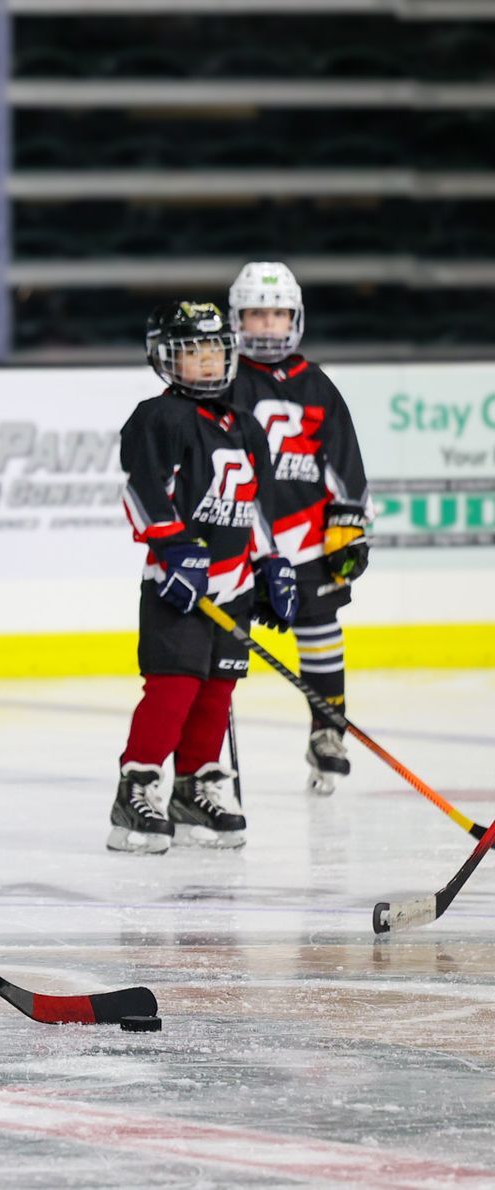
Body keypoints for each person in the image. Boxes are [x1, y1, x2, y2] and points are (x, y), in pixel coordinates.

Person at [112, 301, 299, 854]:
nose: (208, 362)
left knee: (218, 690)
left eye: (215, 349)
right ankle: (137, 787)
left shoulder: (244, 423)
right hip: (177, 584)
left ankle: (196, 788)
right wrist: (172, 547)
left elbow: (255, 505)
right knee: (174, 687)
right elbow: (141, 491)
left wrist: (270, 563)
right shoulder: (159, 417)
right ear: (167, 359)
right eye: (193, 352)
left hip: (233, 585)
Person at [226, 261, 371, 795]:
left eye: (277, 314)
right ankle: (205, 764)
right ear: (237, 318)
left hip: (307, 535)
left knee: (321, 630)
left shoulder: (317, 385)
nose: (267, 326)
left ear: (297, 317)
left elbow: (345, 463)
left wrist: (349, 524)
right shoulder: (224, 379)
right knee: (218, 649)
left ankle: (327, 733)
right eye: (256, 314)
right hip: (240, 536)